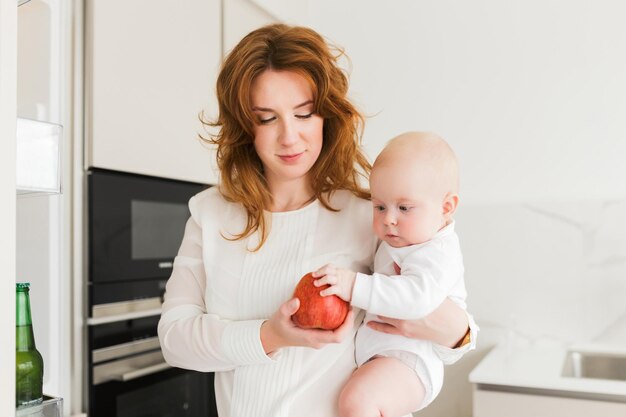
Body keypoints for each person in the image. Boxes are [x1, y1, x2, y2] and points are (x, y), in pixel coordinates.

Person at [157, 24, 475, 417]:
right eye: (267, 118)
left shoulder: (371, 214)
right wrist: (271, 335)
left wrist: (459, 334)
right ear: (245, 127)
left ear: (326, 115)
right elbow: (174, 340)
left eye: (303, 113)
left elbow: (437, 334)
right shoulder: (209, 213)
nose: (289, 137)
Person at [312, 131, 475, 417]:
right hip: (385, 356)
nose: (389, 218)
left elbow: (417, 300)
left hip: (409, 360)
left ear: (446, 208)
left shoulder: (437, 250)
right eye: (380, 206)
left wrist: (352, 285)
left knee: (358, 402)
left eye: (403, 207)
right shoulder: (404, 240)